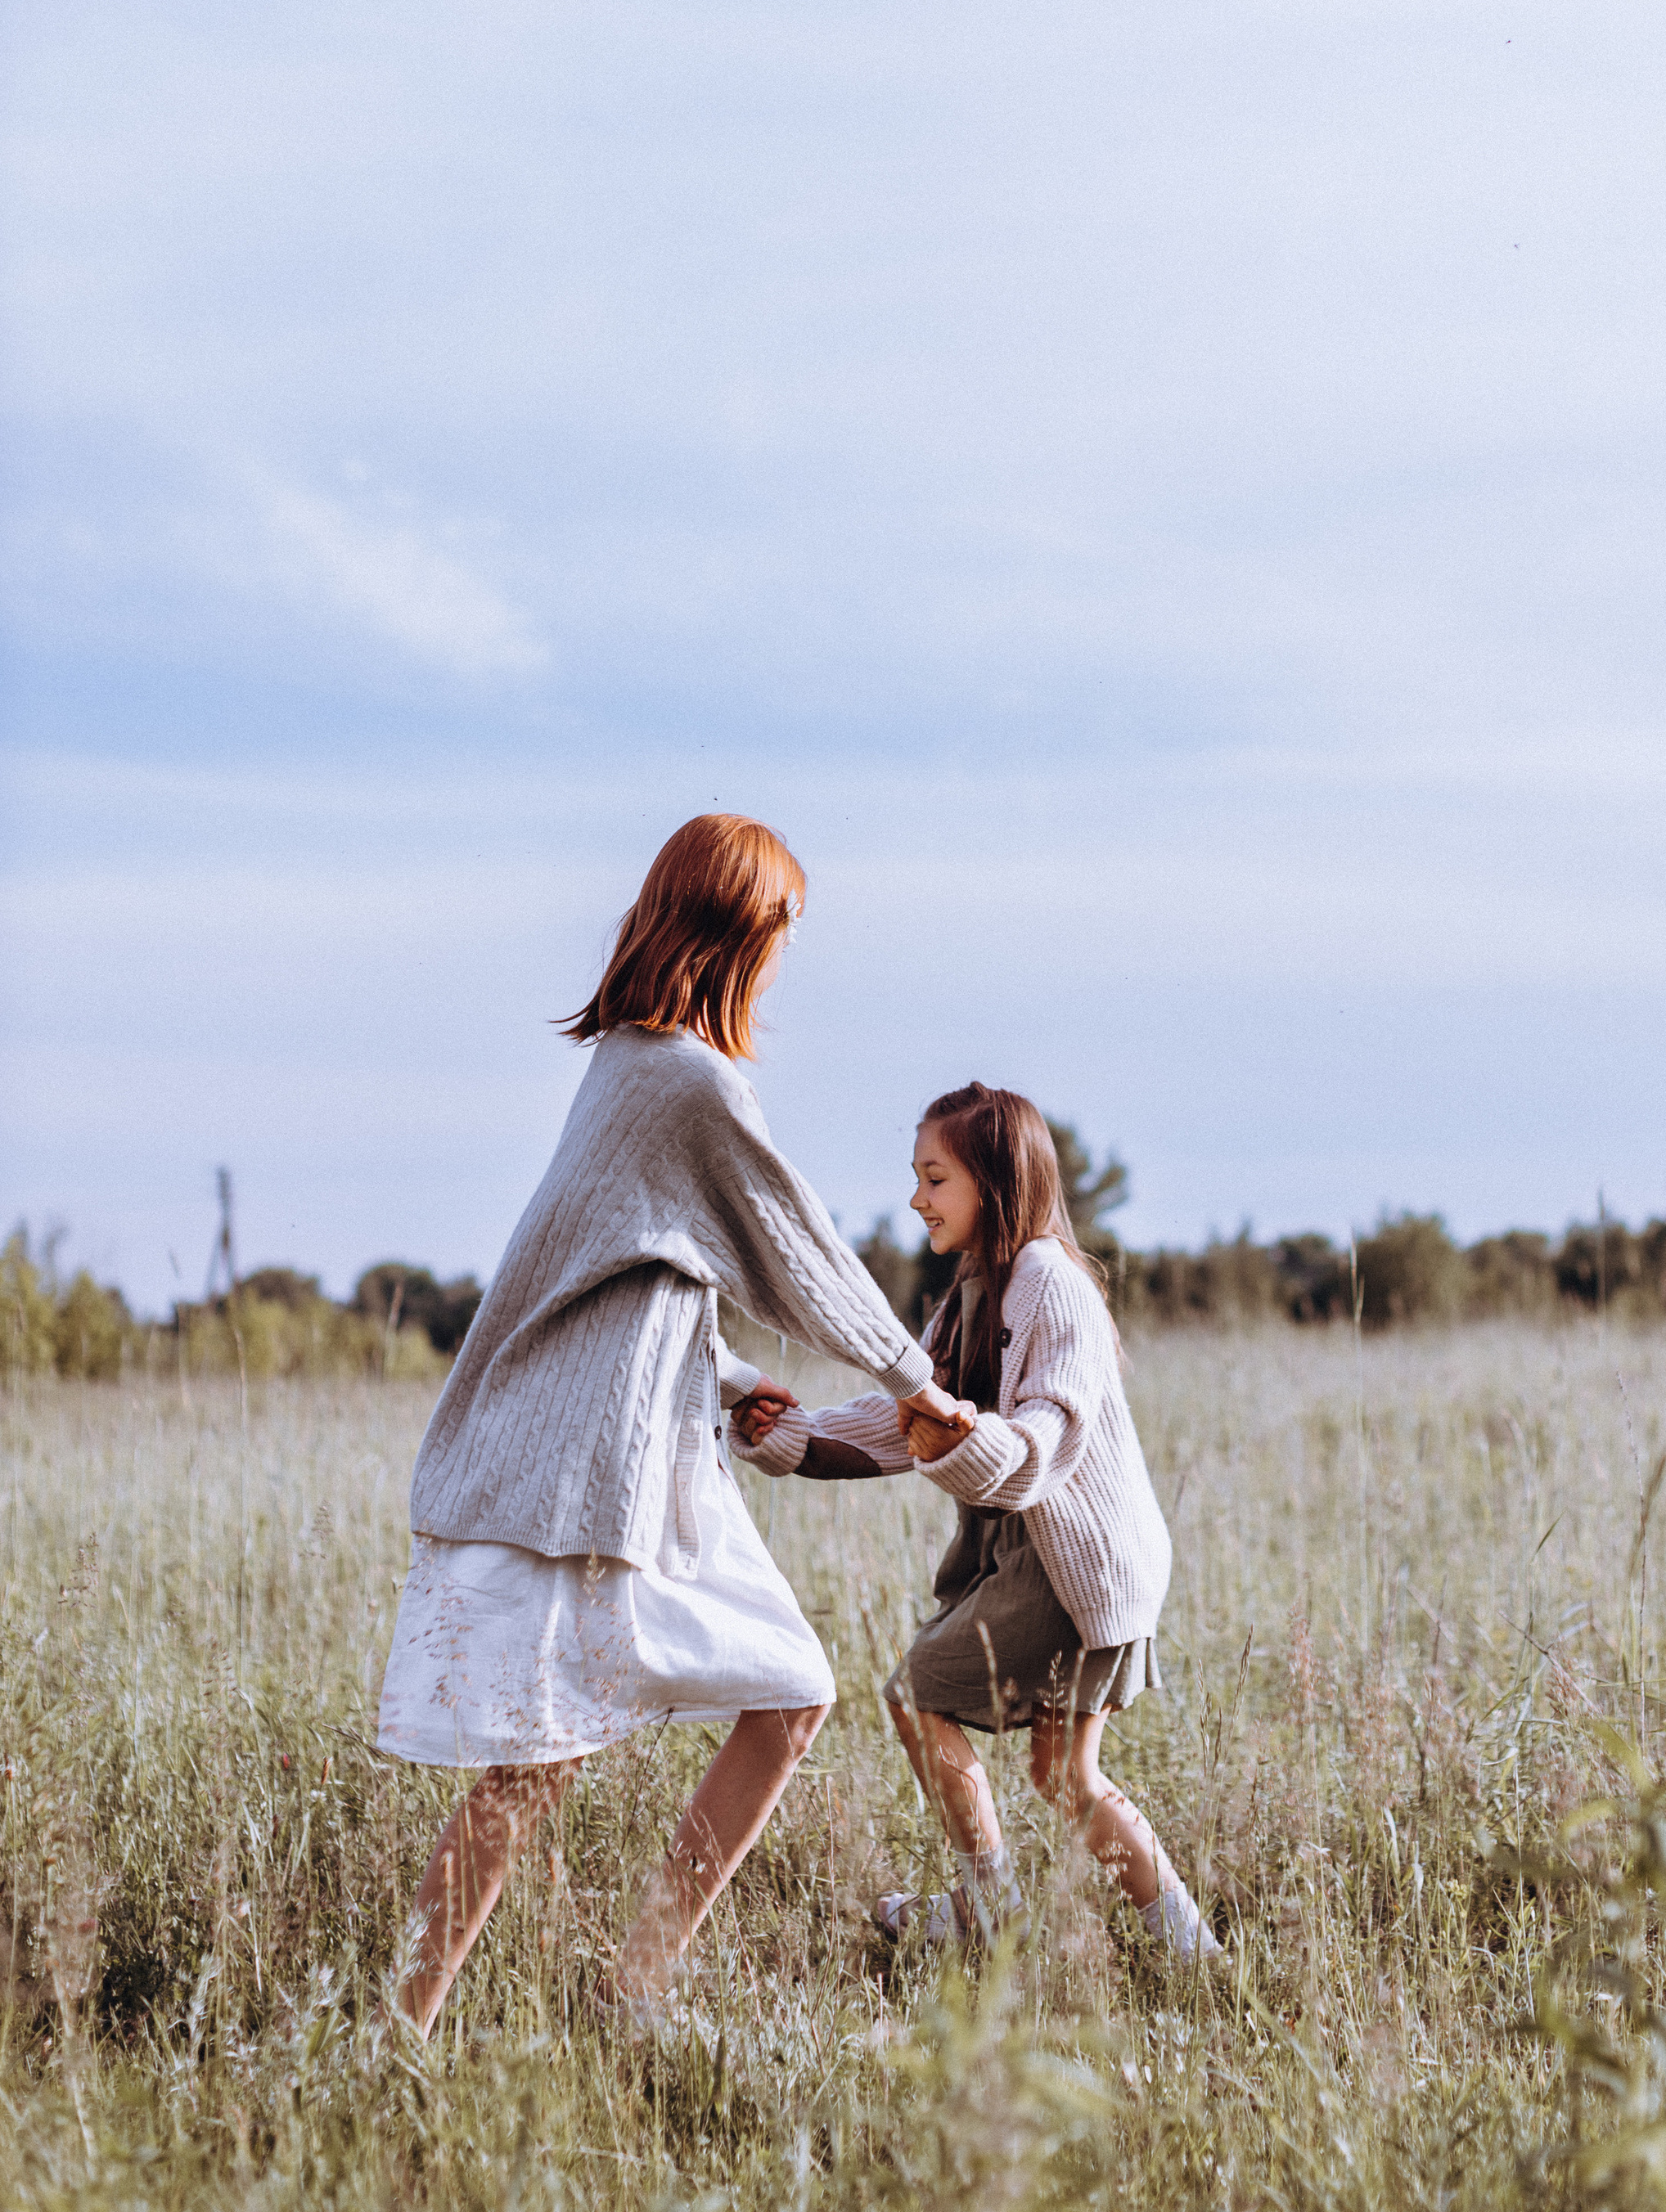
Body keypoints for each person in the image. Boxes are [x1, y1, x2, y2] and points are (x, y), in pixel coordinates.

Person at [375, 813, 966, 2034]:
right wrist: (919, 1384)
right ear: (739, 934)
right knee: (537, 1765)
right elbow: (795, 1246)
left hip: (657, 1462)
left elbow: (641, 1276)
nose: (784, 961)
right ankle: (395, 2032)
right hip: (588, 1473)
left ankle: (629, 1993)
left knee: (789, 1693)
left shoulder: (633, 1067)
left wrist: (723, 1374)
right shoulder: (684, 1078)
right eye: (781, 933)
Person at [736, 1081, 1221, 1962]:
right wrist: (790, 1437)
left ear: (995, 1185)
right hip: (1060, 1558)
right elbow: (903, 1417)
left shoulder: (1047, 1282)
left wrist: (965, 1437)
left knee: (921, 1696)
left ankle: (991, 1913)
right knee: (1063, 1776)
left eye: (935, 1178)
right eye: (917, 1178)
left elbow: (1045, 1438)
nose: (917, 1198)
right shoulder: (974, 1291)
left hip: (1076, 1565)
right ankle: (1197, 1956)